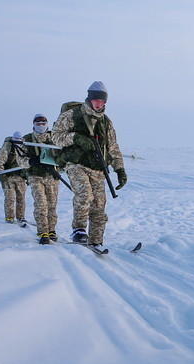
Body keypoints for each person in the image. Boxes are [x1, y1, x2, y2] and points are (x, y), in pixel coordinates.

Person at [52, 81, 127, 247]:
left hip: (98, 168)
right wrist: (76, 138)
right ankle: (78, 230)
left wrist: (120, 169)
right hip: (76, 163)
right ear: (89, 99)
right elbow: (55, 137)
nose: (99, 104)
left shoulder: (106, 122)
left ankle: (96, 241)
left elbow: (113, 147)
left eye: (103, 101)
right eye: (97, 100)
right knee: (85, 194)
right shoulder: (72, 115)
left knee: (99, 205)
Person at [21, 114, 61, 244]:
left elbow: (63, 155)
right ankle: (43, 231)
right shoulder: (27, 139)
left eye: (43, 123)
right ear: (33, 124)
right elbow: (20, 160)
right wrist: (31, 161)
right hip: (35, 176)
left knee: (52, 204)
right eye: (38, 123)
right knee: (41, 204)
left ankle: (51, 230)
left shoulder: (54, 138)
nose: (41, 125)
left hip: (52, 176)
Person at [0, 131, 28, 224]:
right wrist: (3, 176)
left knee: (21, 197)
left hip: (20, 177)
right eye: (16, 140)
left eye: (19, 140)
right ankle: (9, 217)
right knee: (10, 198)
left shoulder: (25, 148)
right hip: (8, 177)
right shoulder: (6, 148)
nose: (18, 141)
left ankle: (21, 217)